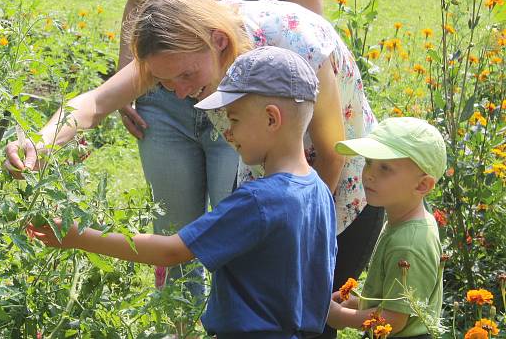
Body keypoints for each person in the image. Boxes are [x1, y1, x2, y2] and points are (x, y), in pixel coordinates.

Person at [5, 0, 383, 324]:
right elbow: (96, 103)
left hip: (338, 192)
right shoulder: (175, 54)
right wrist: (41, 142)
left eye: (185, 77)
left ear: (218, 40)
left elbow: (332, 156)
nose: (182, 93)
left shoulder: (293, 42)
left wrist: (295, 241)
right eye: (166, 85)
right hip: (292, 191)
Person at [115, 0, 326, 306]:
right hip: (166, 104)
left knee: (233, 233)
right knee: (172, 229)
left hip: (244, 108)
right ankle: (180, 325)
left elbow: (311, 28)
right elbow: (138, 4)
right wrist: (127, 74)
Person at [28, 46, 338, 339]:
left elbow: (173, 251)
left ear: (272, 118)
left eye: (235, 119)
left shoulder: (258, 200)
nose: (228, 132)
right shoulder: (320, 193)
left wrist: (76, 237)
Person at [327, 118, 446, 339]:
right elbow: (395, 300)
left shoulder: (409, 244)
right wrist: (360, 302)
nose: (369, 173)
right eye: (369, 162)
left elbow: (394, 319)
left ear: (422, 185)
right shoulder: (402, 221)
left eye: (385, 167)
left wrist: (341, 316)